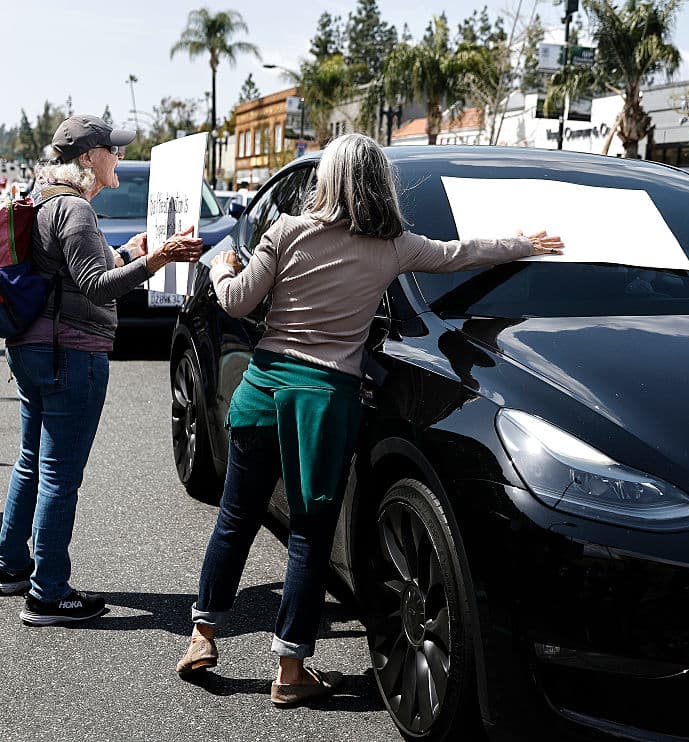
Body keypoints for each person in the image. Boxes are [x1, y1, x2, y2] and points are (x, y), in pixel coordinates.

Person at [175, 133, 565, 707]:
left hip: (262, 391)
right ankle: (289, 668)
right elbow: (461, 253)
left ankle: (202, 635)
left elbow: (236, 303)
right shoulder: (393, 248)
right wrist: (521, 244)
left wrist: (223, 268)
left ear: (327, 181)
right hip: (323, 402)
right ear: (380, 183)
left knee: (236, 517)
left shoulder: (286, 232)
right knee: (309, 532)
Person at [0, 115, 202, 624]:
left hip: (30, 347)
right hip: (71, 351)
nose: (118, 157)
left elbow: (70, 269)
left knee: (31, 460)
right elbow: (97, 285)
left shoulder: (45, 200)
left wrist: (127, 252)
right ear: (89, 156)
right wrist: (159, 259)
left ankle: (9, 563)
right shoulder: (77, 210)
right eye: (111, 149)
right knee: (59, 473)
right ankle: (49, 592)